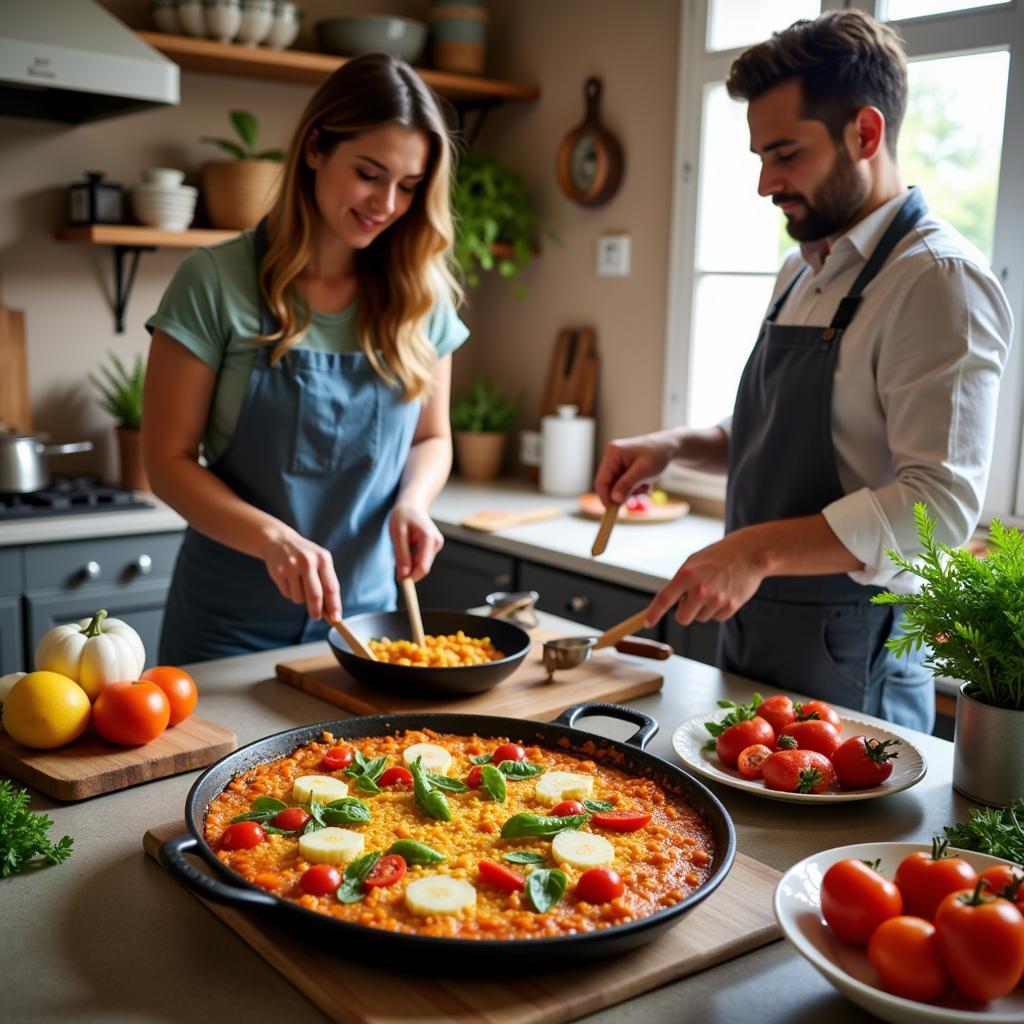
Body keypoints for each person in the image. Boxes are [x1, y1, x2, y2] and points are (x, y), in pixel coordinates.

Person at [594, 10, 1012, 732]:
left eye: (785, 154)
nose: (766, 183)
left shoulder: (937, 282)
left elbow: (940, 509)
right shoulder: (804, 266)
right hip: (760, 638)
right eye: (760, 156)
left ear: (866, 134)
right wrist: (673, 448)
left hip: (854, 660)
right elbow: (781, 435)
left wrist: (753, 550)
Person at [142, 53, 468, 664]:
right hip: (227, 628)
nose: (387, 203)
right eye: (369, 173)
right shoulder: (213, 281)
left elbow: (432, 438)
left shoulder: (419, 295)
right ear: (316, 148)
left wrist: (413, 503)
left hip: (367, 625)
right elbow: (166, 461)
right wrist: (272, 539)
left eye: (409, 186)